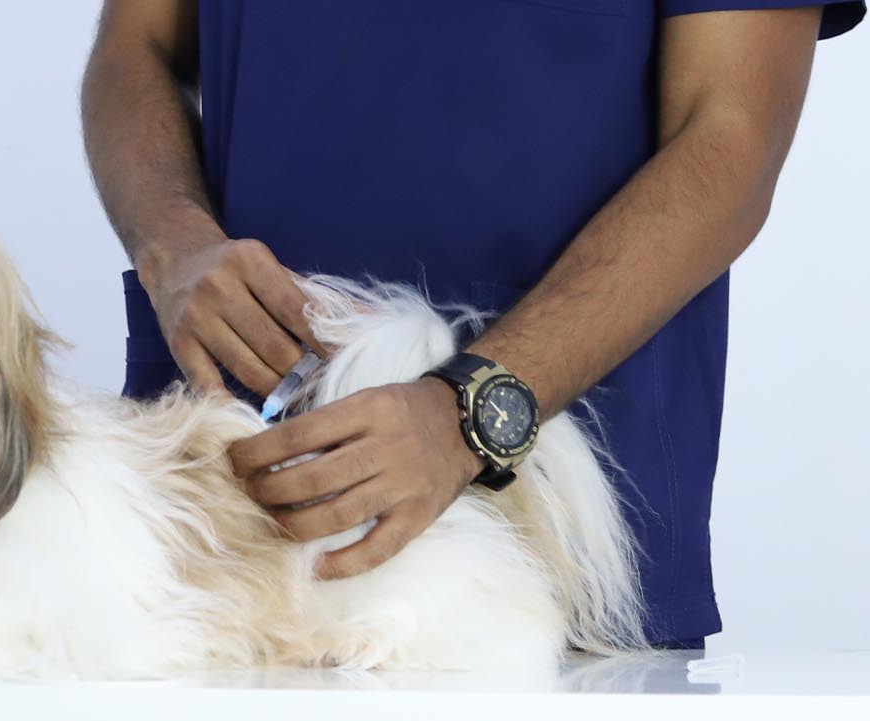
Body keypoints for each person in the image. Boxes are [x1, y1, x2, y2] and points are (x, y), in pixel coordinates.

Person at [80, 0, 863, 649]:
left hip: (552, 518)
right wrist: (172, 239)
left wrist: (473, 408)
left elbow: (730, 137)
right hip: (215, 511)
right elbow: (135, 43)